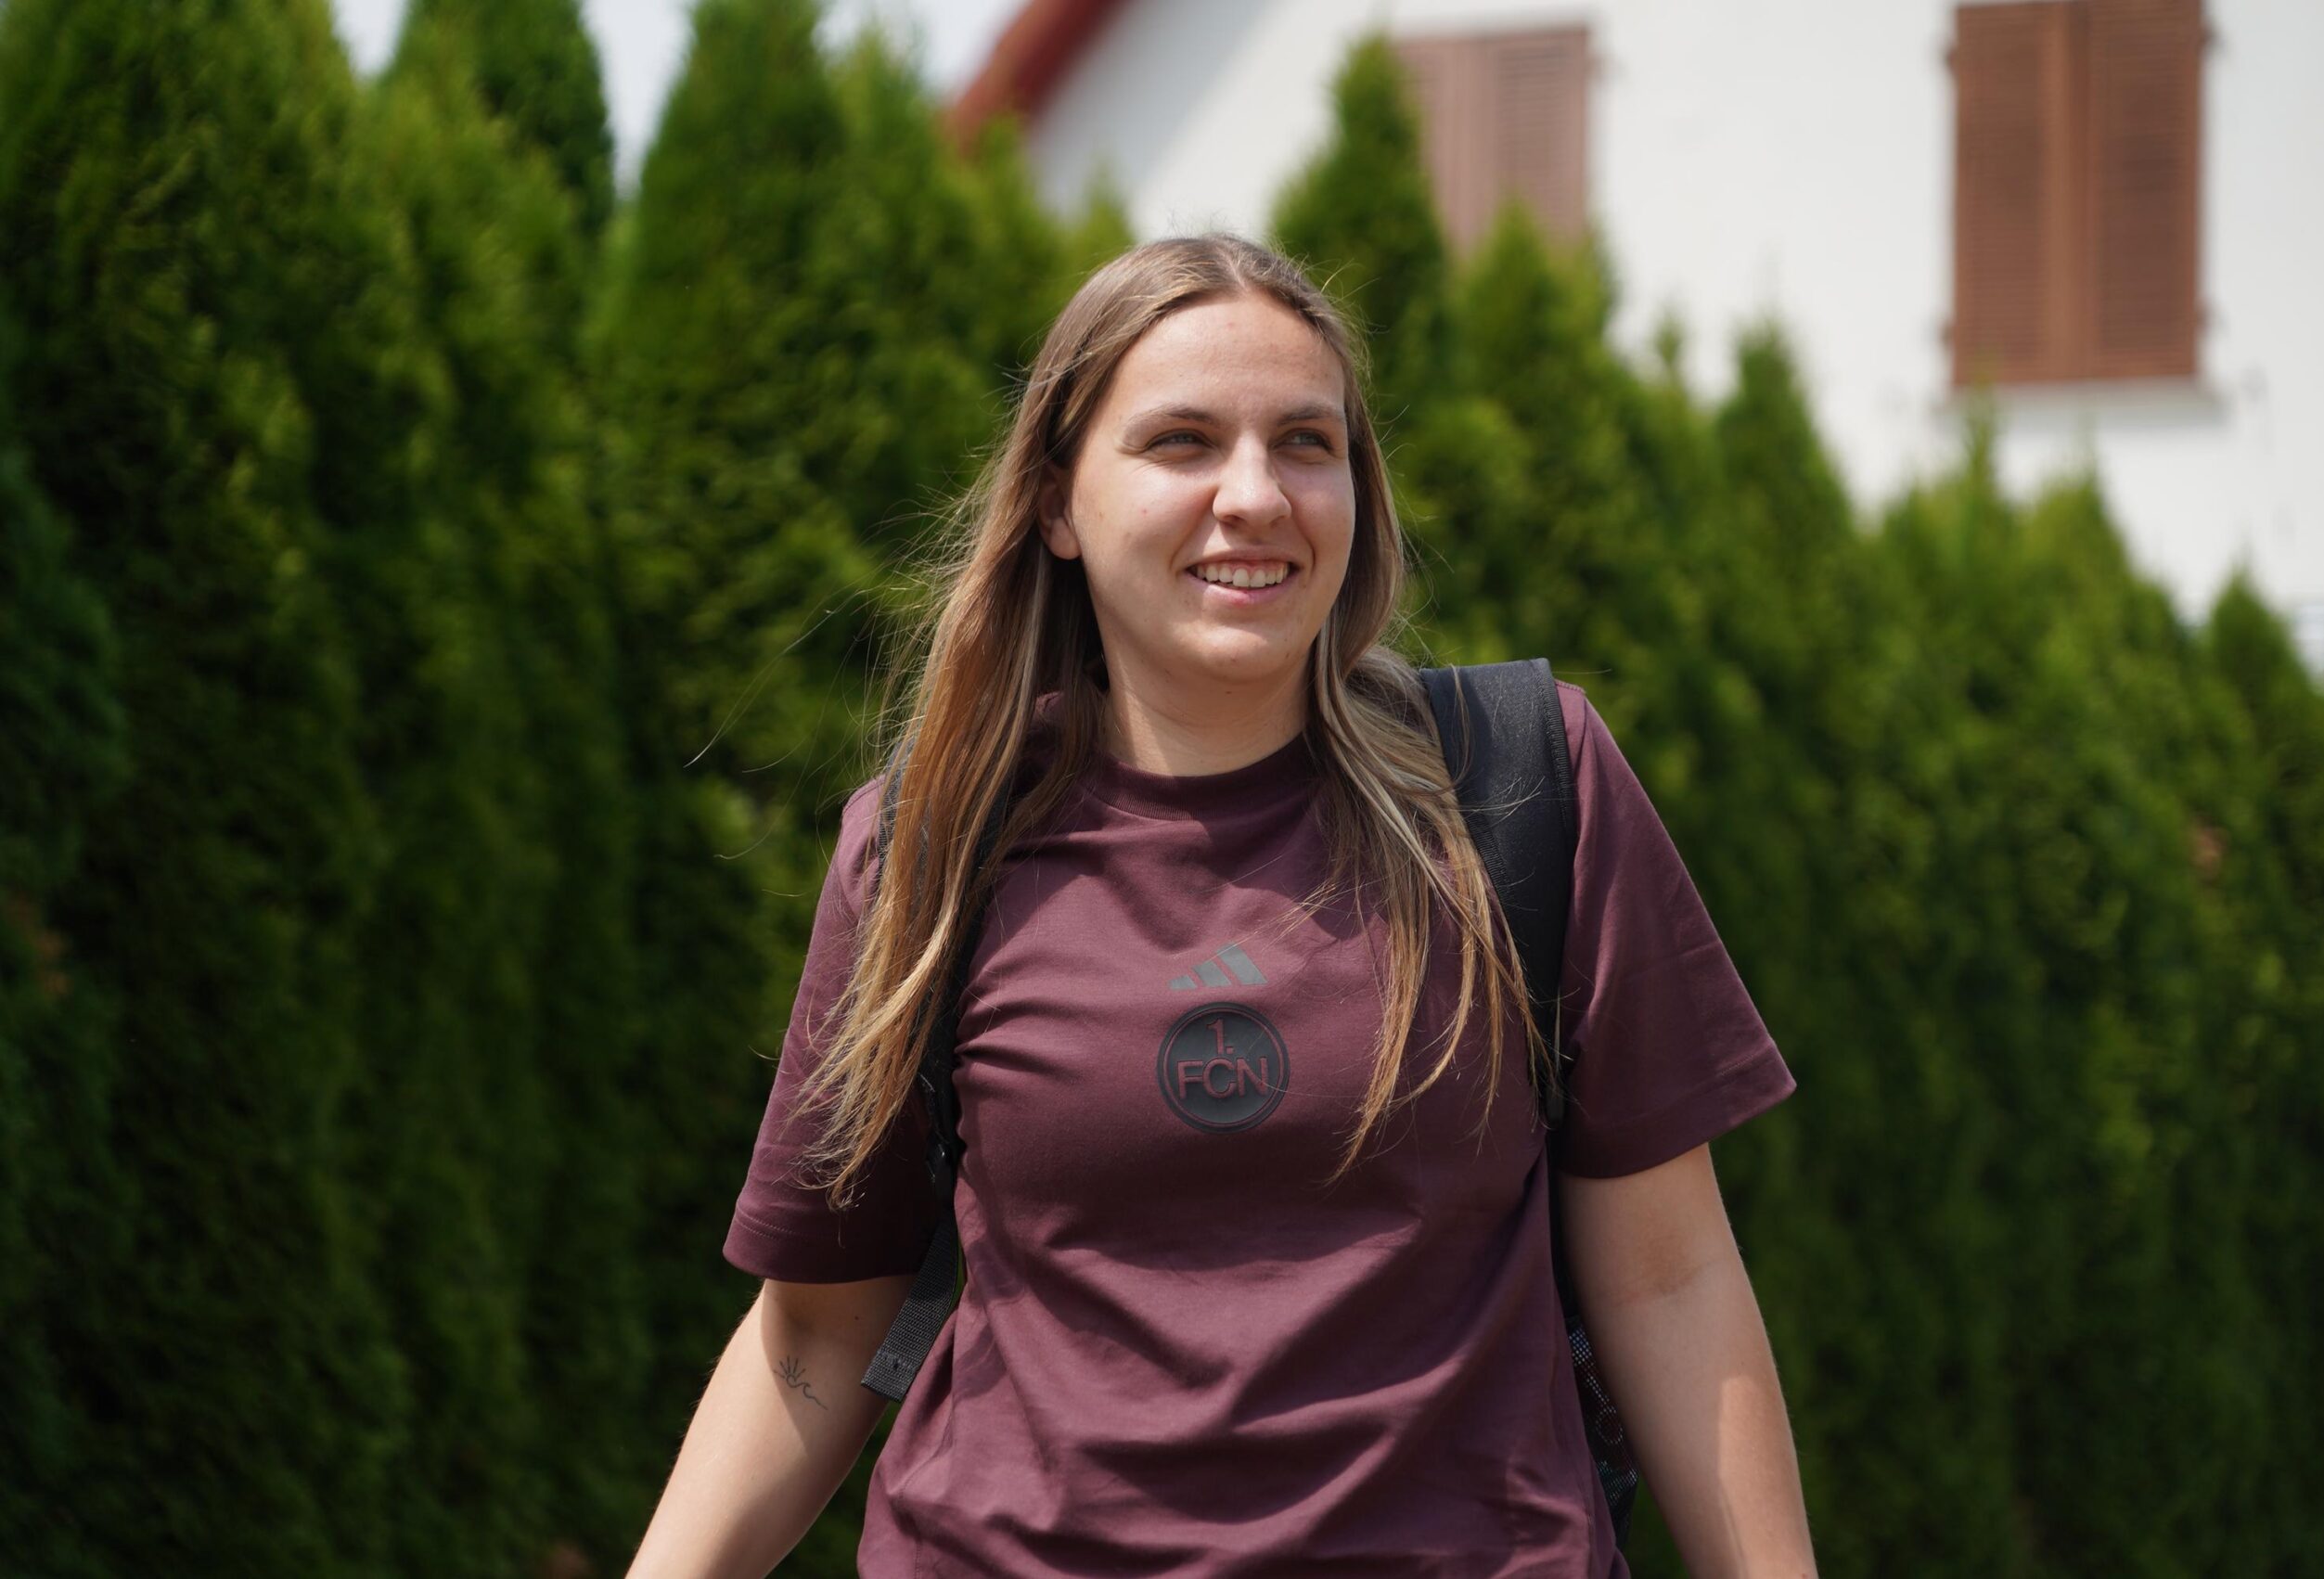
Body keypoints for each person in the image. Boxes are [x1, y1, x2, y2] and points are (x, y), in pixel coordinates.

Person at [626, 233, 1817, 1578]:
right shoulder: (932, 845)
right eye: (1182, 442)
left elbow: (1671, 1283)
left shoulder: (1522, 792)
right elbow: (811, 1344)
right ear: (1059, 505)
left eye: (1305, 444)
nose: (1253, 495)